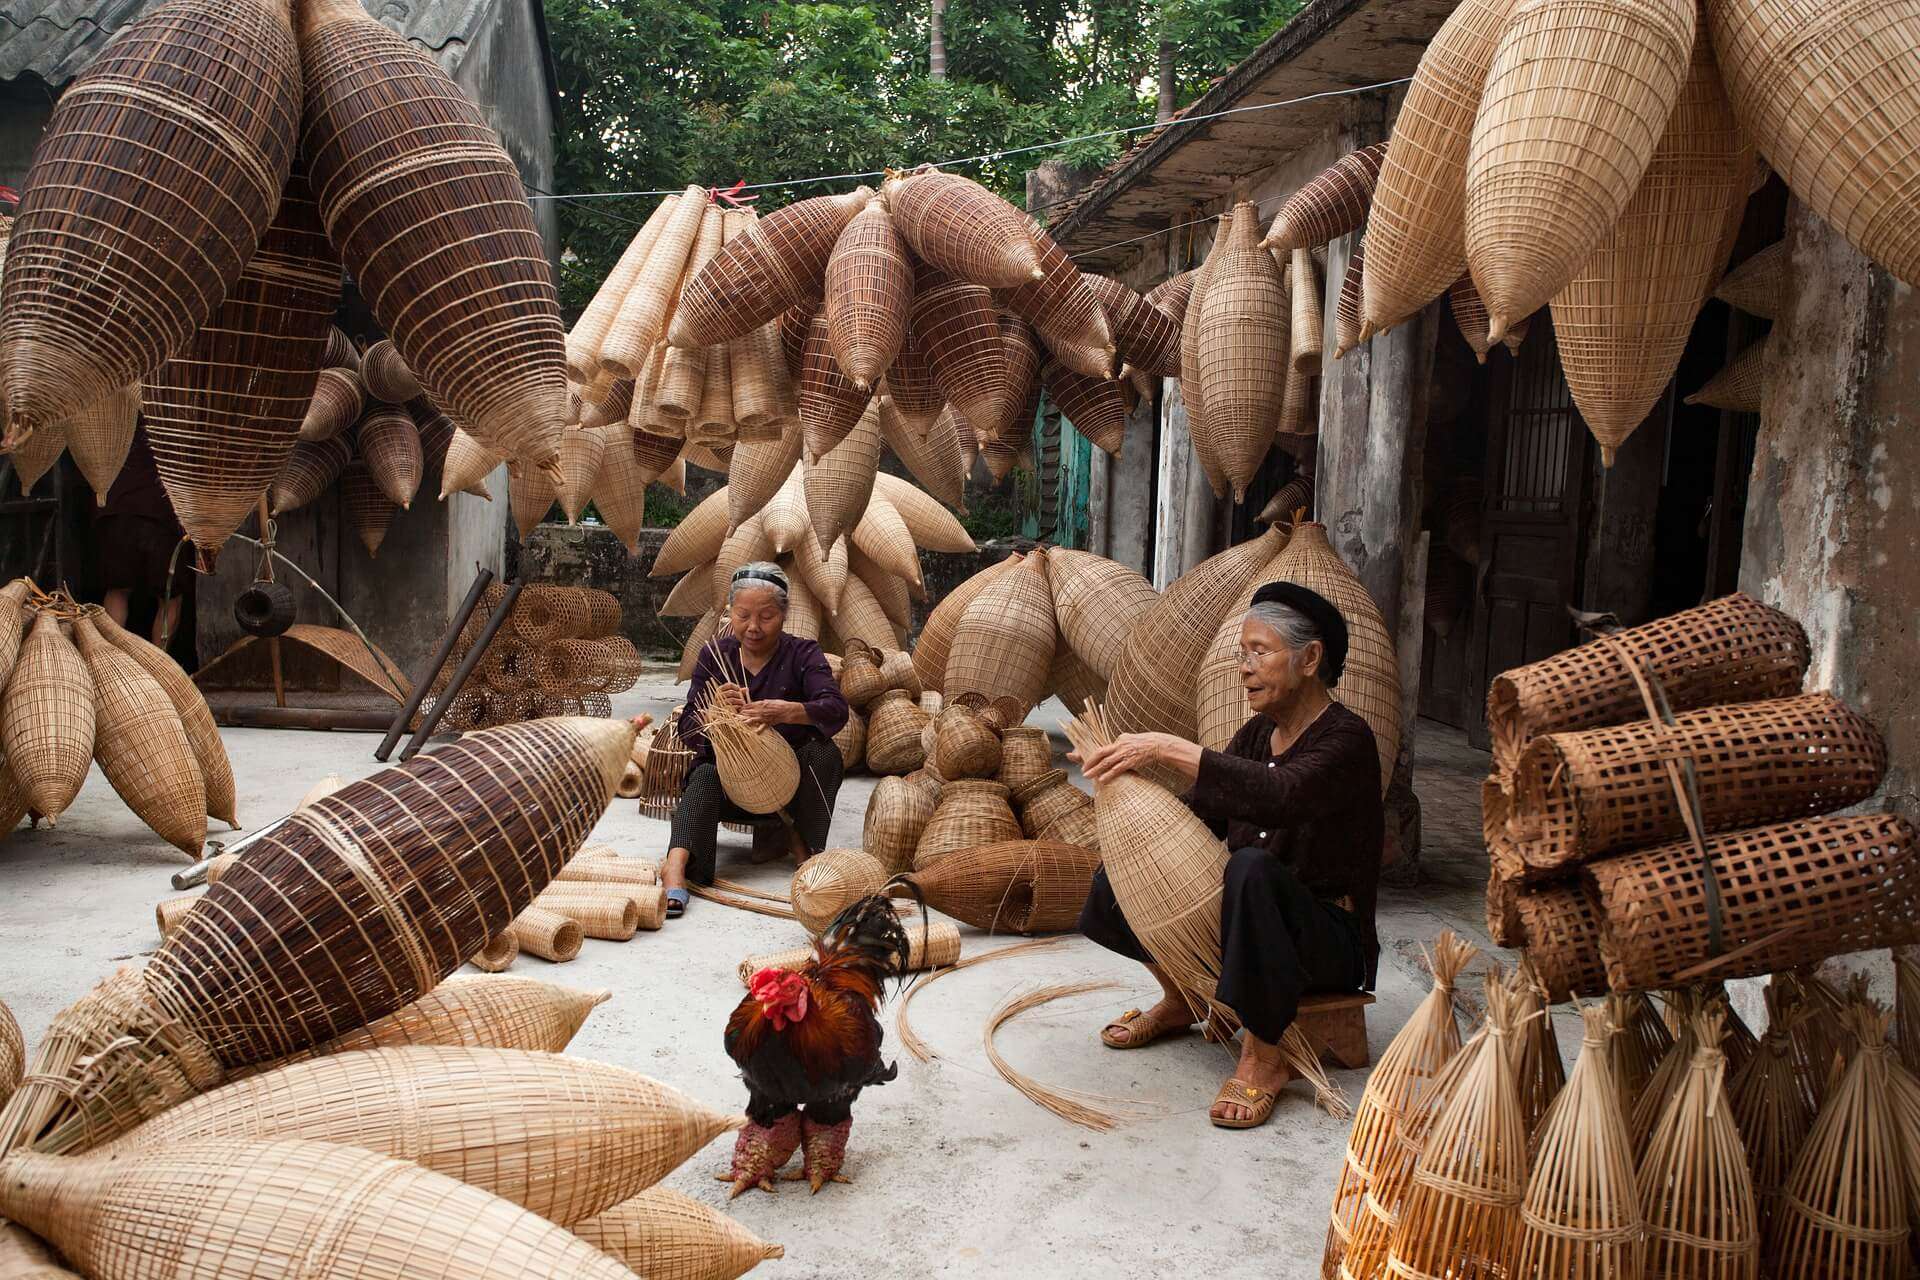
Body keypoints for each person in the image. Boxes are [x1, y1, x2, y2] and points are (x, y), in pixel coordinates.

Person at [1072, 582, 1381, 1129]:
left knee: (1251, 868)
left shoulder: (1348, 739)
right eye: (1243, 653)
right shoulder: (1258, 734)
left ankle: (1265, 1058)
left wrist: (1169, 746)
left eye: (1260, 652)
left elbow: (1281, 795)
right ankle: (1182, 996)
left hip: (1326, 938)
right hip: (1250, 923)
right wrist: (1131, 798)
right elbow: (1197, 815)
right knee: (1122, 877)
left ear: (1310, 659)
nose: (1245, 667)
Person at [661, 562, 849, 919]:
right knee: (704, 773)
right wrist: (712, 710)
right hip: (732, 788)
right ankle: (676, 865)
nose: (753, 627)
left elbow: (835, 709)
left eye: (766, 616)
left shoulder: (803, 653)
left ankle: (805, 846)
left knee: (825, 754)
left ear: (784, 614)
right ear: (730, 612)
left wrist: (787, 711)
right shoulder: (715, 654)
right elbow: (686, 727)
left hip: (789, 787)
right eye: (743, 615)